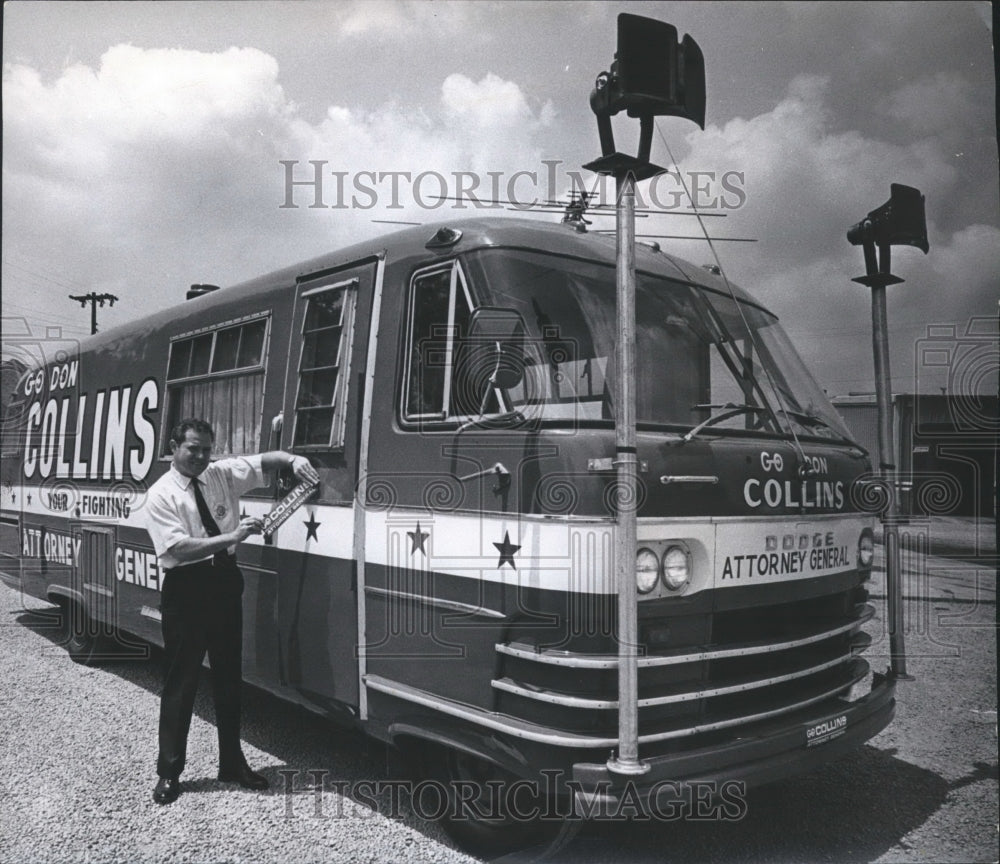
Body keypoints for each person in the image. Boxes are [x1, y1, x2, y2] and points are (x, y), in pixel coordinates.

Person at [144, 418, 320, 805]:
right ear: (174, 447)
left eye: (208, 448)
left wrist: (293, 460)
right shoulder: (160, 494)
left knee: (229, 679)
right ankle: (169, 773)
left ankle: (232, 763)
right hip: (187, 589)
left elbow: (264, 460)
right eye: (194, 448)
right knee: (181, 683)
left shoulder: (220, 473)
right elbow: (177, 550)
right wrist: (234, 535)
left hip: (223, 583)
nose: (203, 456)